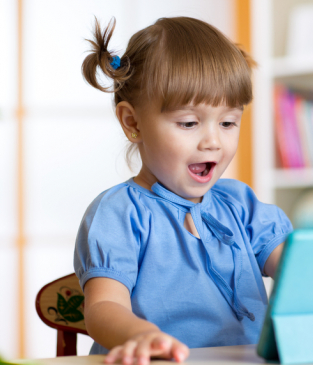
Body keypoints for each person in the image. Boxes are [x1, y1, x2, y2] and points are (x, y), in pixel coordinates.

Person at [74, 16, 293, 365]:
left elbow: (297, 269)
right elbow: (103, 306)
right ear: (133, 123)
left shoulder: (240, 204)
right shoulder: (119, 212)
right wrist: (141, 336)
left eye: (228, 122)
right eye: (189, 123)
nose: (213, 141)